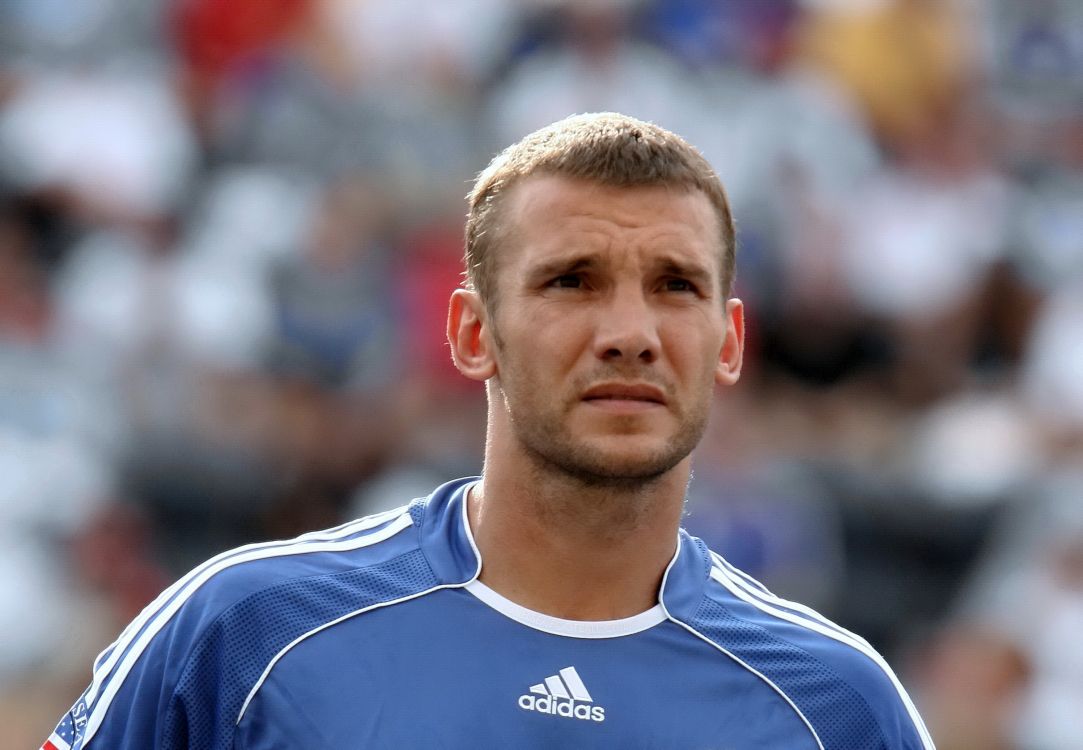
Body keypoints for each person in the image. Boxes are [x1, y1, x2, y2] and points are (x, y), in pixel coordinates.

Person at [41, 112, 934, 749]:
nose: (629, 331)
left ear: (729, 342)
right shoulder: (243, 631)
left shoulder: (836, 704)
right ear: (473, 334)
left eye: (675, 285)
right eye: (571, 281)